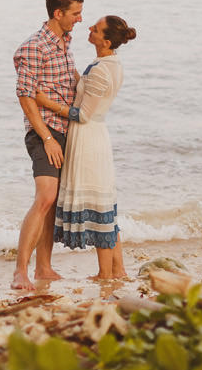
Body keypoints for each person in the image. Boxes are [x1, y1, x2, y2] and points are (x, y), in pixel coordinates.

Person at [36, 15, 136, 280]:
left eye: (95, 28)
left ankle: (105, 274)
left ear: (105, 40)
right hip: (96, 136)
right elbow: (89, 90)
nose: (89, 28)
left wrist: (46, 102)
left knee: (99, 206)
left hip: (88, 138)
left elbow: (82, 114)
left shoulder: (103, 69)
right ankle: (118, 270)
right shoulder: (109, 64)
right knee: (105, 204)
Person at [11, 0, 83, 291]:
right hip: (45, 132)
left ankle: (43, 267)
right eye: (76, 13)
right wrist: (48, 138)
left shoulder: (64, 41)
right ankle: (20, 272)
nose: (79, 19)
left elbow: (69, 83)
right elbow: (26, 97)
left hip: (65, 130)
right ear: (58, 13)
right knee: (44, 198)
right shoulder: (34, 46)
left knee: (52, 204)